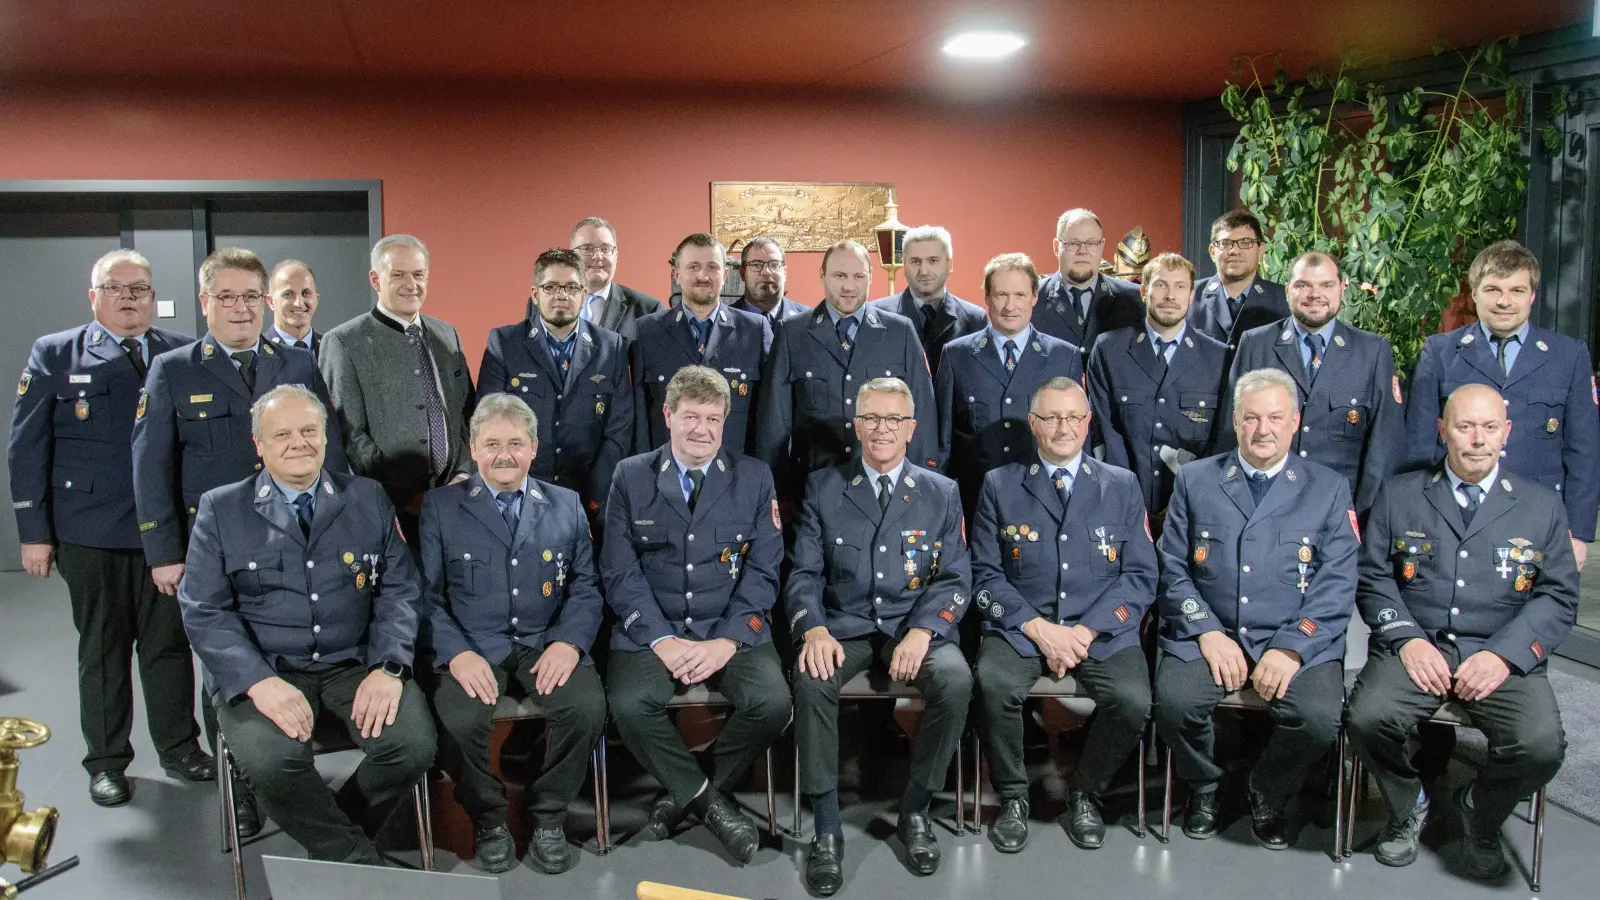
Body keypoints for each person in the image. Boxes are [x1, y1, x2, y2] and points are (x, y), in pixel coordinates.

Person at [177, 385, 435, 864]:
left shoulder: (367, 497)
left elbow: (400, 590)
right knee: (274, 764)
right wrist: (258, 683)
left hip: (352, 664)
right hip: (265, 672)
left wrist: (390, 666)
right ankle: (359, 863)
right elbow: (204, 610)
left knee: (412, 745)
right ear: (259, 444)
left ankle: (333, 834)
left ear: (324, 436)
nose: (299, 443)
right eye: (282, 434)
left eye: (309, 431)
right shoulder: (221, 508)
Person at [1346, 384, 1574, 878]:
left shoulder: (1541, 505)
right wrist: (1406, 639)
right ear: (1443, 430)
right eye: (1465, 427)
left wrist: (1505, 657)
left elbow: (1557, 596)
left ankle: (1481, 810)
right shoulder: (1400, 493)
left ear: (1506, 433)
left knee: (1541, 745)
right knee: (1366, 718)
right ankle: (1408, 805)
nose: (1477, 439)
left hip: (1501, 654)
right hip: (1418, 646)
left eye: (1489, 427)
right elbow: (1373, 577)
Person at [8, 249, 209, 807]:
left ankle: (180, 749)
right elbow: (26, 450)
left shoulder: (178, 353)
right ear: (93, 295)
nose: (128, 297)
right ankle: (106, 762)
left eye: (139, 288)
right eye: (116, 288)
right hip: (91, 531)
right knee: (103, 650)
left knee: (169, 648)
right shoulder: (55, 354)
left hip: (165, 536)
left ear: (152, 296)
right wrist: (34, 532)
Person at [1154, 368, 1358, 850]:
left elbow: (1337, 581)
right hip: (1211, 632)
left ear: (1294, 423)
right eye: (1250, 418)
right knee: (1174, 704)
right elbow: (1171, 566)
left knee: (1318, 717)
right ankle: (1204, 787)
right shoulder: (1196, 480)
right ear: (1235, 421)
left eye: (1274, 418)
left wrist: (1291, 648)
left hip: (1293, 638)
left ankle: (1269, 789)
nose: (1262, 429)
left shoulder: (1327, 487)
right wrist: (1206, 631)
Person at [786, 377, 971, 893]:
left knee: (955, 680)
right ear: (857, 425)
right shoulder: (825, 485)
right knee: (810, 677)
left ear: (910, 429)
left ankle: (915, 809)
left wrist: (924, 631)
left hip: (911, 627)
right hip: (844, 627)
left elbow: (956, 576)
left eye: (893, 420)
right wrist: (814, 628)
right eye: (871, 418)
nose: (881, 429)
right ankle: (826, 826)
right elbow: (803, 573)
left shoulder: (941, 492)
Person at [602, 366, 790, 866]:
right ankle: (710, 806)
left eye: (712, 418)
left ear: (725, 421)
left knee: (773, 702)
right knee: (628, 703)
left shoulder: (753, 477)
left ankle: (681, 793)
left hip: (726, 629)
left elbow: (765, 570)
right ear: (668, 416)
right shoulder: (631, 475)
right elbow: (619, 571)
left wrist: (726, 642)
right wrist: (661, 641)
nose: (701, 429)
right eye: (690, 416)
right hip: (652, 631)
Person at [419, 393, 606, 875]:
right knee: (460, 721)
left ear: (534, 447)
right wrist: (456, 654)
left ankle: (548, 816)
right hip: (473, 644)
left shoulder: (565, 504)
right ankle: (489, 819)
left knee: (586, 708)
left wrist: (569, 642)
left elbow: (587, 586)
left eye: (516, 444)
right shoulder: (441, 508)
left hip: (546, 641)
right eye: (493, 443)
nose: (505, 454)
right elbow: (425, 596)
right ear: (473, 448)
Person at [972, 377, 1156, 852]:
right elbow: (985, 575)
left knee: (1133, 700)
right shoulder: (999, 484)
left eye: (1073, 416)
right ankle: (1013, 796)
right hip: (1023, 627)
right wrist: (1038, 628)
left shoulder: (1122, 484)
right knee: (993, 684)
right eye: (1051, 417)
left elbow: (1139, 577)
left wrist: (1086, 630)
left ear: (1088, 422)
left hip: (1100, 630)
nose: (1063, 427)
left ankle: (1086, 792)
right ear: (1033, 424)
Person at [1406, 239, 1598, 569]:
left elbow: (1584, 451)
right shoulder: (1441, 352)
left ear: (1532, 295)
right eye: (1493, 289)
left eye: (1517, 291)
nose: (1504, 301)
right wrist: (1418, 520)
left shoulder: (1568, 356)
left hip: (1541, 519)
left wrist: (1577, 533)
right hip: (1455, 514)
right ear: (1475, 292)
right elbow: (1419, 444)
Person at [1218, 251, 1404, 519]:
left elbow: (1384, 450)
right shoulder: (1255, 344)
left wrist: (1363, 519)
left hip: (1340, 513)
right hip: (1264, 510)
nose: (1314, 295)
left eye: (1326, 285)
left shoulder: (1372, 352)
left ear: (1342, 288)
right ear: (1287, 290)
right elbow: (1230, 433)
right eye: (1303, 285)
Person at [319, 234, 476, 546]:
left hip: (456, 501)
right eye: (398, 275)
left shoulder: (447, 334)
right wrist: (407, 498)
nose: (411, 284)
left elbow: (466, 414)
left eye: (418, 275)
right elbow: (349, 434)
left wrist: (463, 475)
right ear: (376, 280)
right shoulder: (343, 342)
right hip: (389, 510)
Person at [757, 240, 938, 503]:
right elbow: (773, 425)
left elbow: (922, 416)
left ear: (871, 277)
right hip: (810, 492)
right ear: (822, 275)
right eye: (840, 276)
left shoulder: (901, 332)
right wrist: (774, 496)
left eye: (858, 276)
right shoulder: (792, 334)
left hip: (885, 489)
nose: (849, 286)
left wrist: (922, 486)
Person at [478, 248, 631, 522]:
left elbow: (618, 431)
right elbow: (488, 423)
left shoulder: (612, 347)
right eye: (551, 287)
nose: (561, 295)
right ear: (535, 295)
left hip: (589, 501)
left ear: (584, 295)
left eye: (571, 287)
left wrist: (593, 498)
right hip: (519, 497)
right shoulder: (504, 343)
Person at [936, 252, 1082, 514]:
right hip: (974, 500)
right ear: (987, 298)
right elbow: (943, 440)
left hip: (1043, 498)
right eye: (1001, 295)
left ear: (1035, 297)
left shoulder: (1064, 356)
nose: (1010, 306)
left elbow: (1078, 435)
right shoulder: (956, 355)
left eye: (1020, 295)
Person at [1086, 252, 1227, 523]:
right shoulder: (1109, 350)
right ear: (1143, 291)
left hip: (1193, 508)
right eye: (1161, 285)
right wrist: (1127, 497)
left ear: (1192, 295)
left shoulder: (1218, 358)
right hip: (1121, 506)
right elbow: (1103, 432)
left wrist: (1185, 497)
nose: (1170, 296)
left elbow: (1220, 440)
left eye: (1180, 286)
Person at [634, 233, 772, 454]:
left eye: (712, 267)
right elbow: (640, 414)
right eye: (693, 267)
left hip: (735, 470)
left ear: (725, 274)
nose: (703, 275)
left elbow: (769, 412)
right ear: (676, 274)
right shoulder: (647, 331)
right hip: (667, 471)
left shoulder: (755, 330)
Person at [868, 225, 986, 378]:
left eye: (933, 261)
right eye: (915, 262)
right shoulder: (877, 314)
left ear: (950, 265)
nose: (924, 271)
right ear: (904, 265)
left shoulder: (974, 318)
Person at [1032, 208, 1144, 361]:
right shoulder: (1030, 299)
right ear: (1056, 248)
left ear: (1102, 246)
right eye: (1073, 243)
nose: (1082, 251)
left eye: (1091, 243)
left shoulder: (1136, 299)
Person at [1187, 210, 1288, 364]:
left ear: (1261, 251)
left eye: (1246, 242)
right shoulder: (1188, 295)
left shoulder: (1284, 300)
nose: (1234, 251)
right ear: (1212, 252)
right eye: (1225, 243)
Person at [571, 216, 662, 339]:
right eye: (587, 248)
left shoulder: (647, 310)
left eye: (605, 249)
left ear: (616, 256)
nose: (597, 256)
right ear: (572, 256)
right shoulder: (546, 305)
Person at [732, 237, 807, 326]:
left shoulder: (809, 320)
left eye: (774, 264)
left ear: (785, 273)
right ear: (742, 273)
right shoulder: (721, 324)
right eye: (756, 265)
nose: (766, 272)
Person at [265, 259, 322, 359]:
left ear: (316, 299)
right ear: (271, 302)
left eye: (306, 293)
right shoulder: (256, 353)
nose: (298, 303)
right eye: (288, 294)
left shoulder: (332, 350)